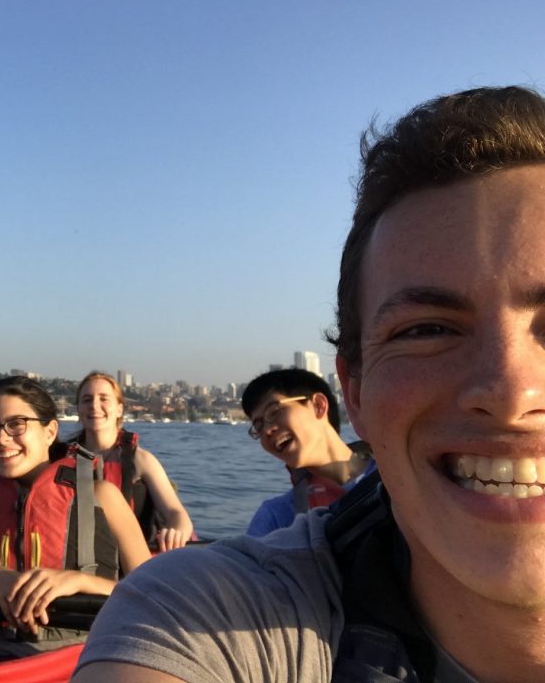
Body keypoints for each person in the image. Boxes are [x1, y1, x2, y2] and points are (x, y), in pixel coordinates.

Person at [72, 85, 545, 683]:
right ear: (356, 391)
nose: (510, 393)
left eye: (276, 413)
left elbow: (173, 516)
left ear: (323, 404)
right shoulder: (218, 606)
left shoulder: (141, 467)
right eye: (427, 330)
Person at [0, 375, 150, 662]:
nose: (1, 439)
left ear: (50, 431)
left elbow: (153, 595)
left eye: (16, 424)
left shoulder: (102, 495)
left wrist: (79, 581)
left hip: (82, 656)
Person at [240, 368, 376, 536]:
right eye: (259, 426)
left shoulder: (393, 471)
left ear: (318, 406)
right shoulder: (276, 518)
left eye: (274, 412)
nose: (267, 430)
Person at [69, 372, 194, 551]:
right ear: (78, 409)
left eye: (104, 399)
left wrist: (177, 531)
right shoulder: (62, 459)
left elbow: (176, 513)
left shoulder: (141, 460)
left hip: (134, 559)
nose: (94, 406)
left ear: (119, 409)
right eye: (87, 400)